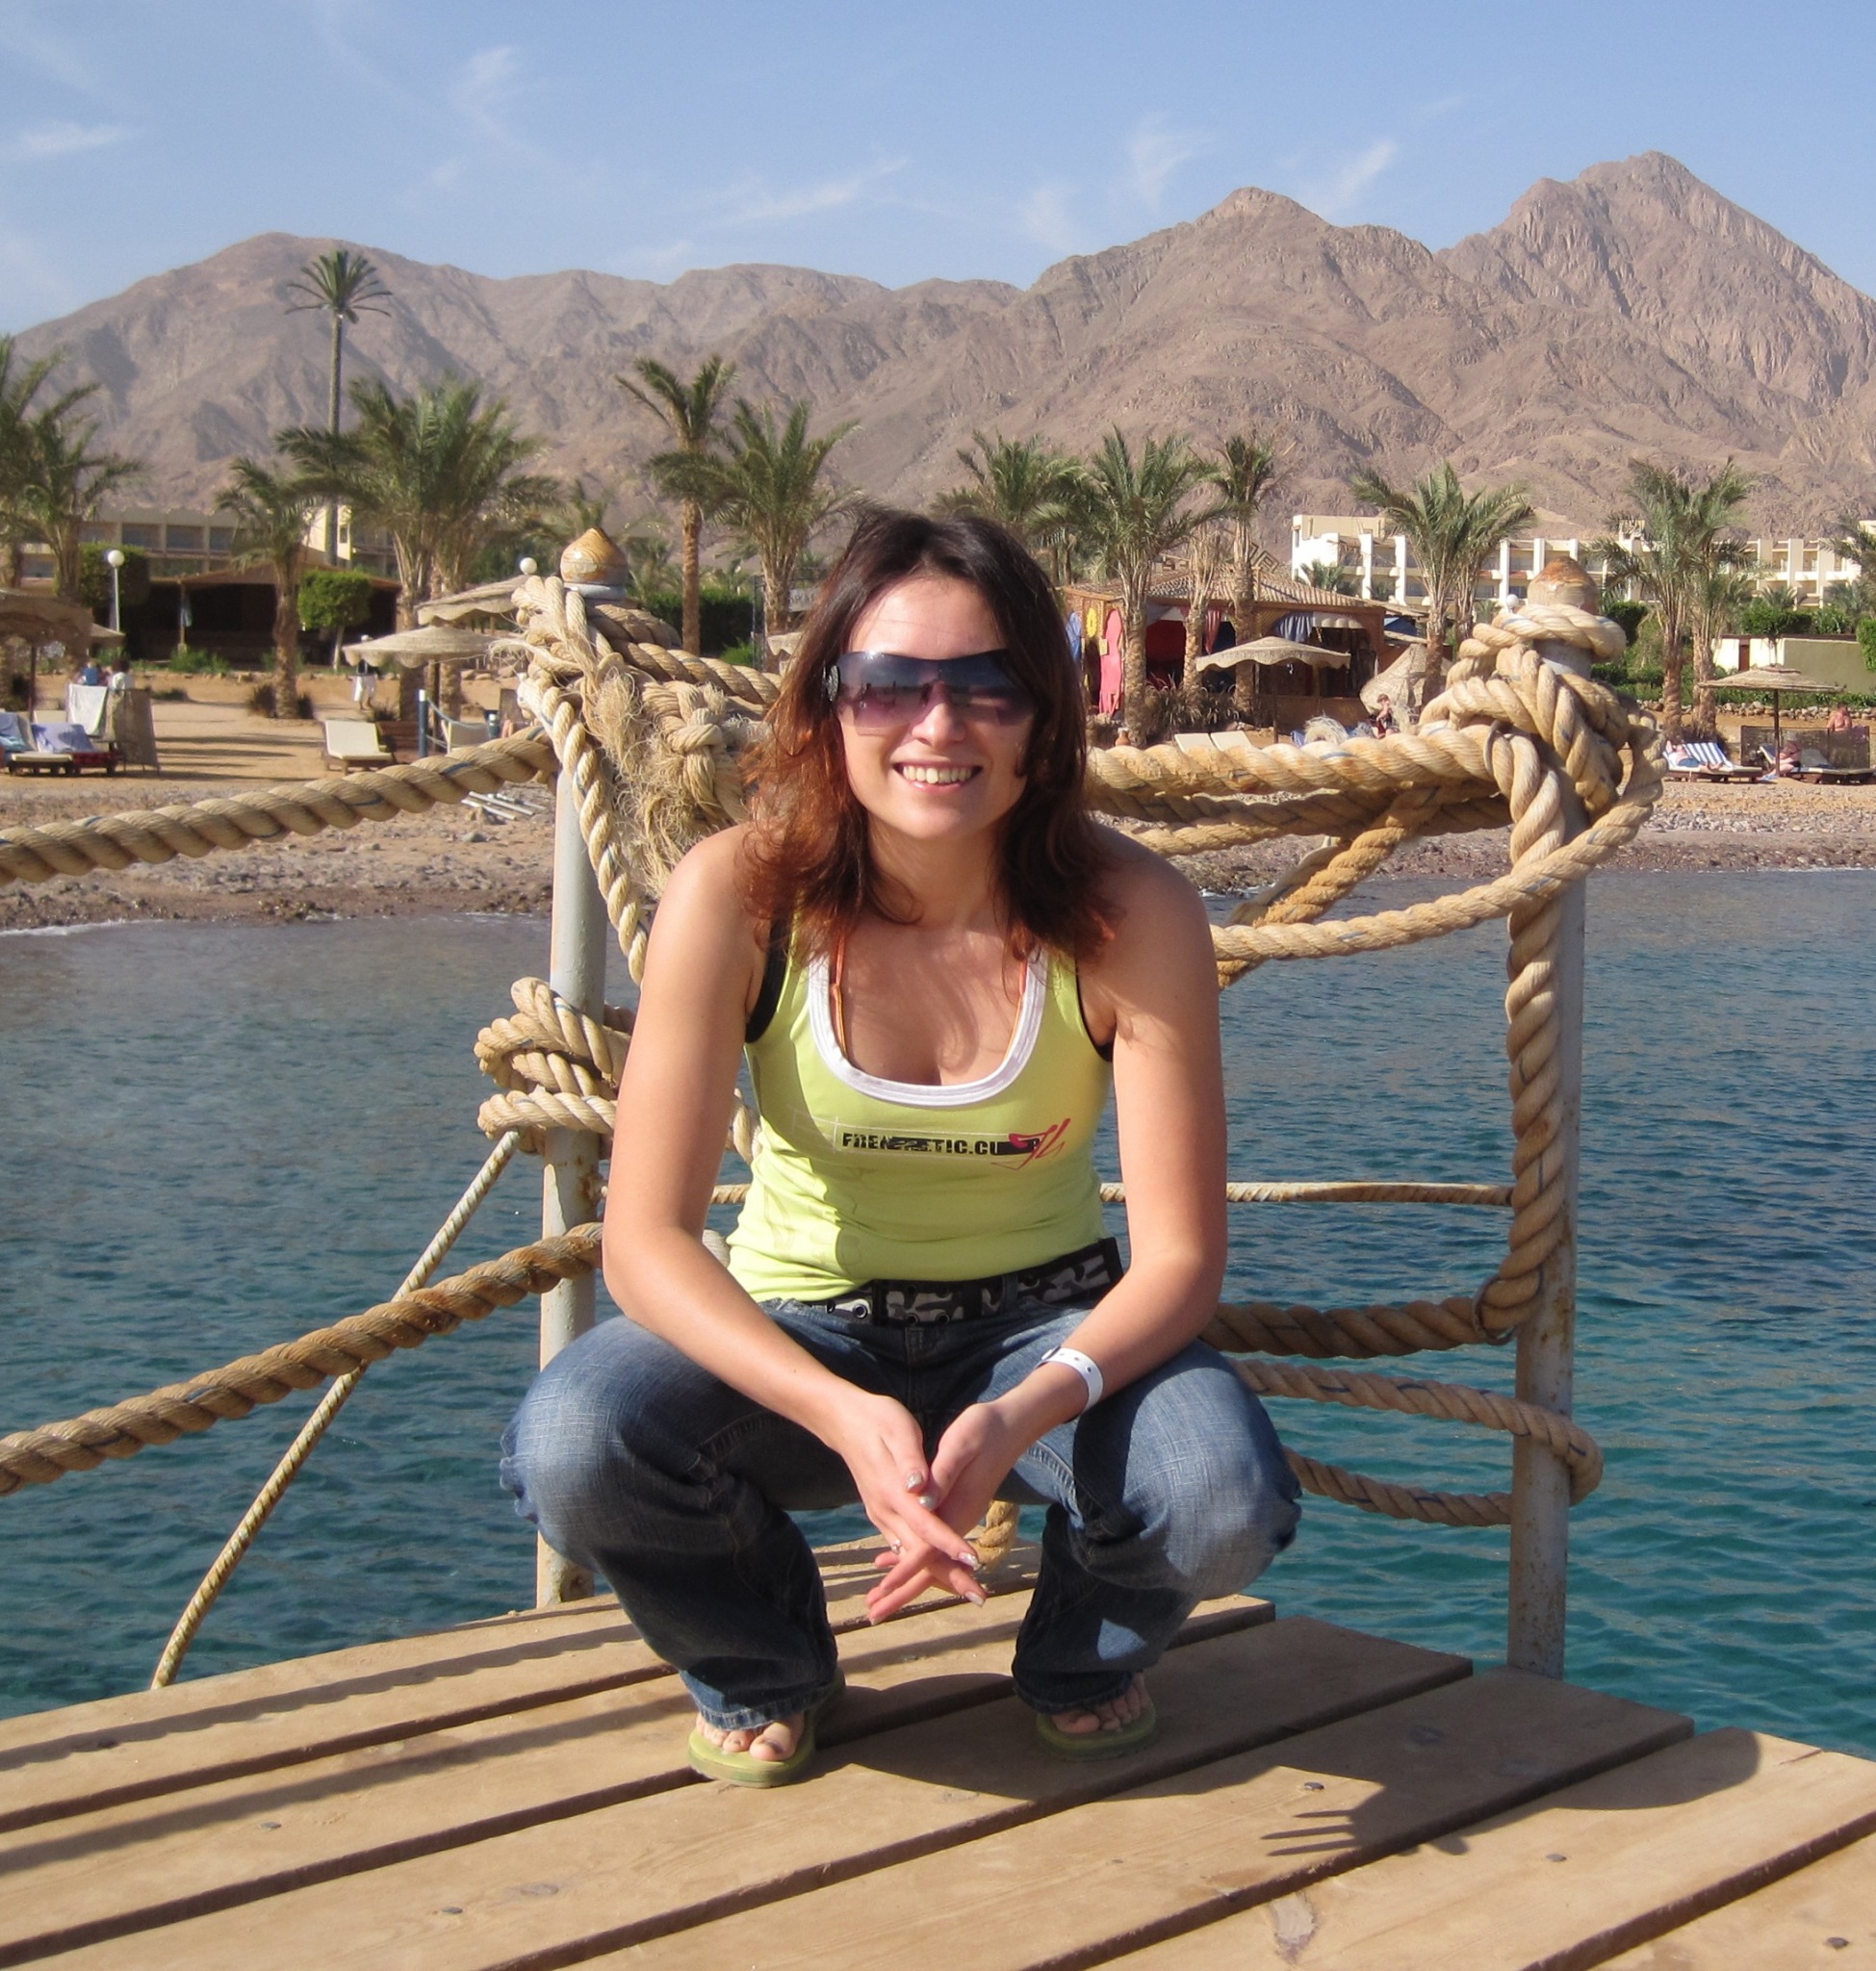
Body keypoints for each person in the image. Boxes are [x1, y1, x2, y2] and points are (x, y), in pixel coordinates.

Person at [501, 511, 1299, 1787]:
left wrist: (1024, 1408)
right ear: (828, 705)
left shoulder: (1128, 913)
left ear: (1044, 718)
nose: (939, 726)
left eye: (988, 687)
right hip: (797, 1326)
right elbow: (644, 1242)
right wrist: (835, 1407)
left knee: (1218, 1496)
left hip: (1044, 1333)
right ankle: (764, 1665)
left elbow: (1180, 1261)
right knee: (577, 1442)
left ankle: (1080, 1658)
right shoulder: (739, 896)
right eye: (889, 686)